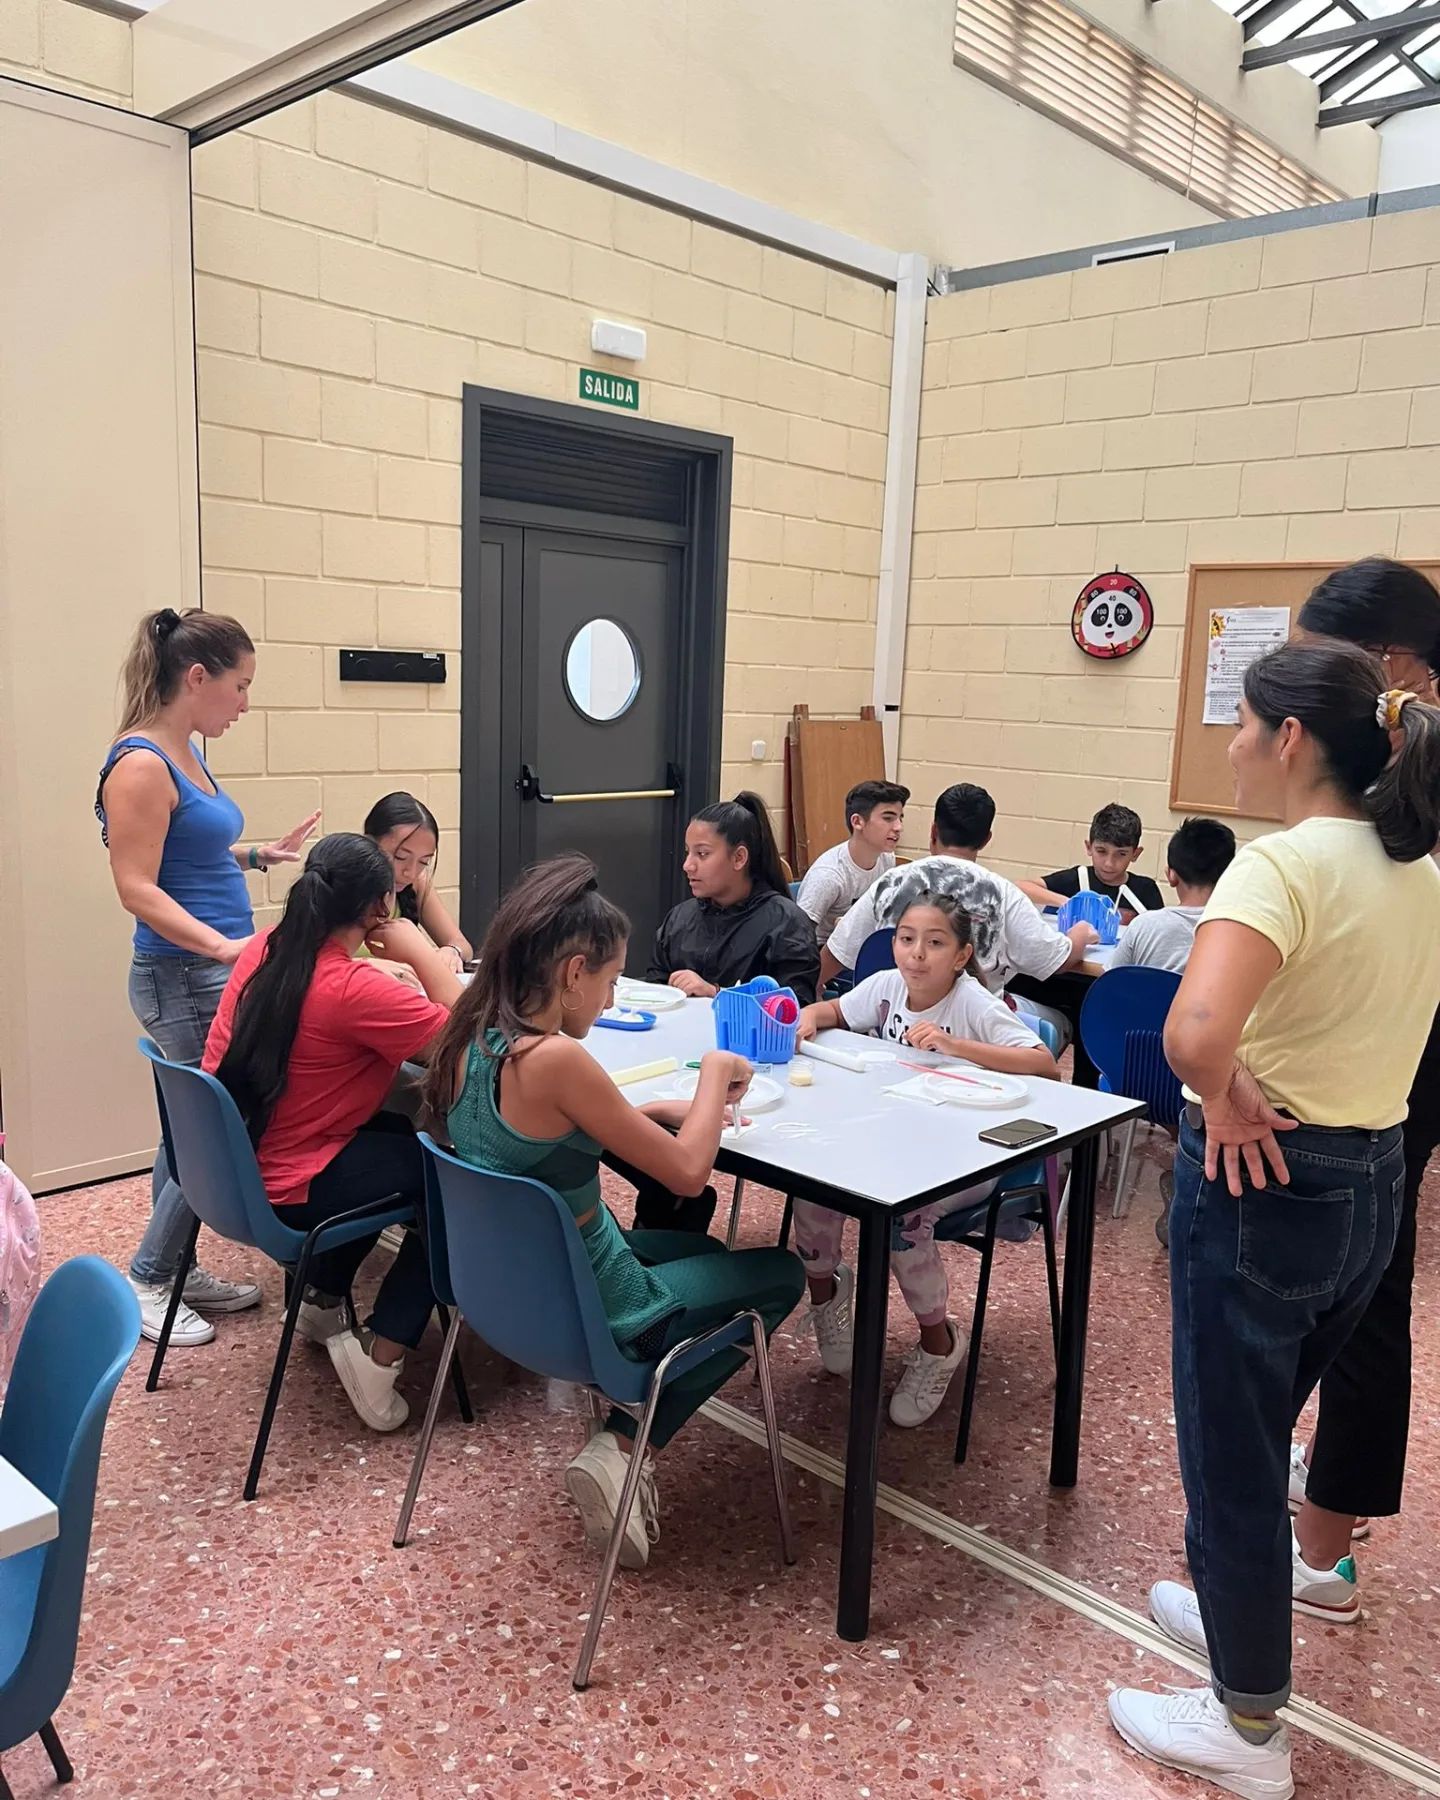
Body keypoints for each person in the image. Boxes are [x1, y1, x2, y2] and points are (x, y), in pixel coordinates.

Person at [1109, 641, 1440, 1800]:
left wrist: (1227, 1092)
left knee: (1232, 1453)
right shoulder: (1421, 863)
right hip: (1376, 1180)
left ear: (1291, 740)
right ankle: (1237, 1608)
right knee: (1265, 1415)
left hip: (1266, 1185)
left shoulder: (1280, 866)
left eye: (1245, 726)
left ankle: (1247, 1728)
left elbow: (1195, 1038)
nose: (1237, 746)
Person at [425, 854, 805, 1571]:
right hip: (588, 1306)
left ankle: (627, 1436)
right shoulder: (558, 1061)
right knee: (777, 1272)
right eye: (605, 983)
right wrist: (718, 1071)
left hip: (502, 1291)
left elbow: (540, 1132)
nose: (606, 1002)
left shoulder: (472, 1033)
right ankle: (626, 1446)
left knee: (718, 1264)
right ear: (572, 973)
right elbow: (691, 1176)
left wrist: (649, 1112)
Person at [97, 607, 320, 1348]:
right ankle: (150, 1278)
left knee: (188, 1130)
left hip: (205, 972)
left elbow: (188, 854)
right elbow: (137, 885)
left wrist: (257, 856)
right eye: (241, 685)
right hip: (182, 976)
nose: (246, 703)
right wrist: (224, 949)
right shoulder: (139, 763)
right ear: (197, 678)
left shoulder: (183, 752)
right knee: (211, 1131)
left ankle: (176, 1265)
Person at [1286, 557, 1440, 1587]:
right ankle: (1336, 1479)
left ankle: (1324, 1552)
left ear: (1390, 665)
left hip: (1413, 1046)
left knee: (1370, 1284)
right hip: (1400, 1035)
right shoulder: (1406, 749)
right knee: (1360, 1276)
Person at [205, 833, 464, 1431]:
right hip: (291, 1185)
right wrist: (420, 954)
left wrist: (379, 969)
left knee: (395, 1139)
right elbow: (464, 1050)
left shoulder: (270, 946)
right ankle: (383, 1354)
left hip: (237, 1170)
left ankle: (321, 1299)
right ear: (381, 908)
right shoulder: (354, 988)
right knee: (452, 1179)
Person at [792, 892, 1056, 1426]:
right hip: (892, 1141)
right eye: (906, 940)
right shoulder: (887, 988)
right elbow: (833, 1009)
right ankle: (827, 1297)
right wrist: (808, 1019)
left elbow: (1044, 1063)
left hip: (969, 1156)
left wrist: (956, 1046)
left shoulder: (971, 1002)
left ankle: (938, 1344)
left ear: (961, 956)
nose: (916, 954)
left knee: (905, 1221)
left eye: (934, 943)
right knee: (811, 1189)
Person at [821, 783, 1094, 1005]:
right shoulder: (1002, 893)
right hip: (970, 1037)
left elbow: (834, 957)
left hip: (883, 1023)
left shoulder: (891, 882)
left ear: (933, 830)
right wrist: (1080, 933)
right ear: (987, 838)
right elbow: (1056, 960)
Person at [648, 792, 820, 1005]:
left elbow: (794, 1006)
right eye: (687, 853)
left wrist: (717, 993)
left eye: (702, 854)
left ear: (739, 858)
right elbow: (654, 986)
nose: (687, 865)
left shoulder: (786, 924)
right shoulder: (680, 918)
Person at [360, 791, 472, 975]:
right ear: (369, 843)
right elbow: (305, 960)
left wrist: (452, 951)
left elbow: (461, 944)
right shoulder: (343, 882)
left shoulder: (418, 883)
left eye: (423, 862)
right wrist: (361, 965)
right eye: (400, 857)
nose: (410, 872)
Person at [1110, 818, 1236, 974]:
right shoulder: (1239, 933)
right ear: (1228, 876)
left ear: (1171, 875)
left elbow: (1110, 981)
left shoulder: (1142, 927)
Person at [795, 780, 909, 946]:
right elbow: (797, 937)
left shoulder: (887, 858)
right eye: (888, 818)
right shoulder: (829, 875)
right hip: (825, 954)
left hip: (860, 947)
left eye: (900, 818)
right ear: (857, 822)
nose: (898, 827)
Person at [1019, 803, 1164, 920]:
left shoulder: (1146, 889)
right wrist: (1070, 904)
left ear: (1135, 854)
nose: (1109, 863)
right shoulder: (1077, 878)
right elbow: (1021, 887)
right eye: (1101, 851)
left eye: (1121, 854)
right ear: (1089, 847)